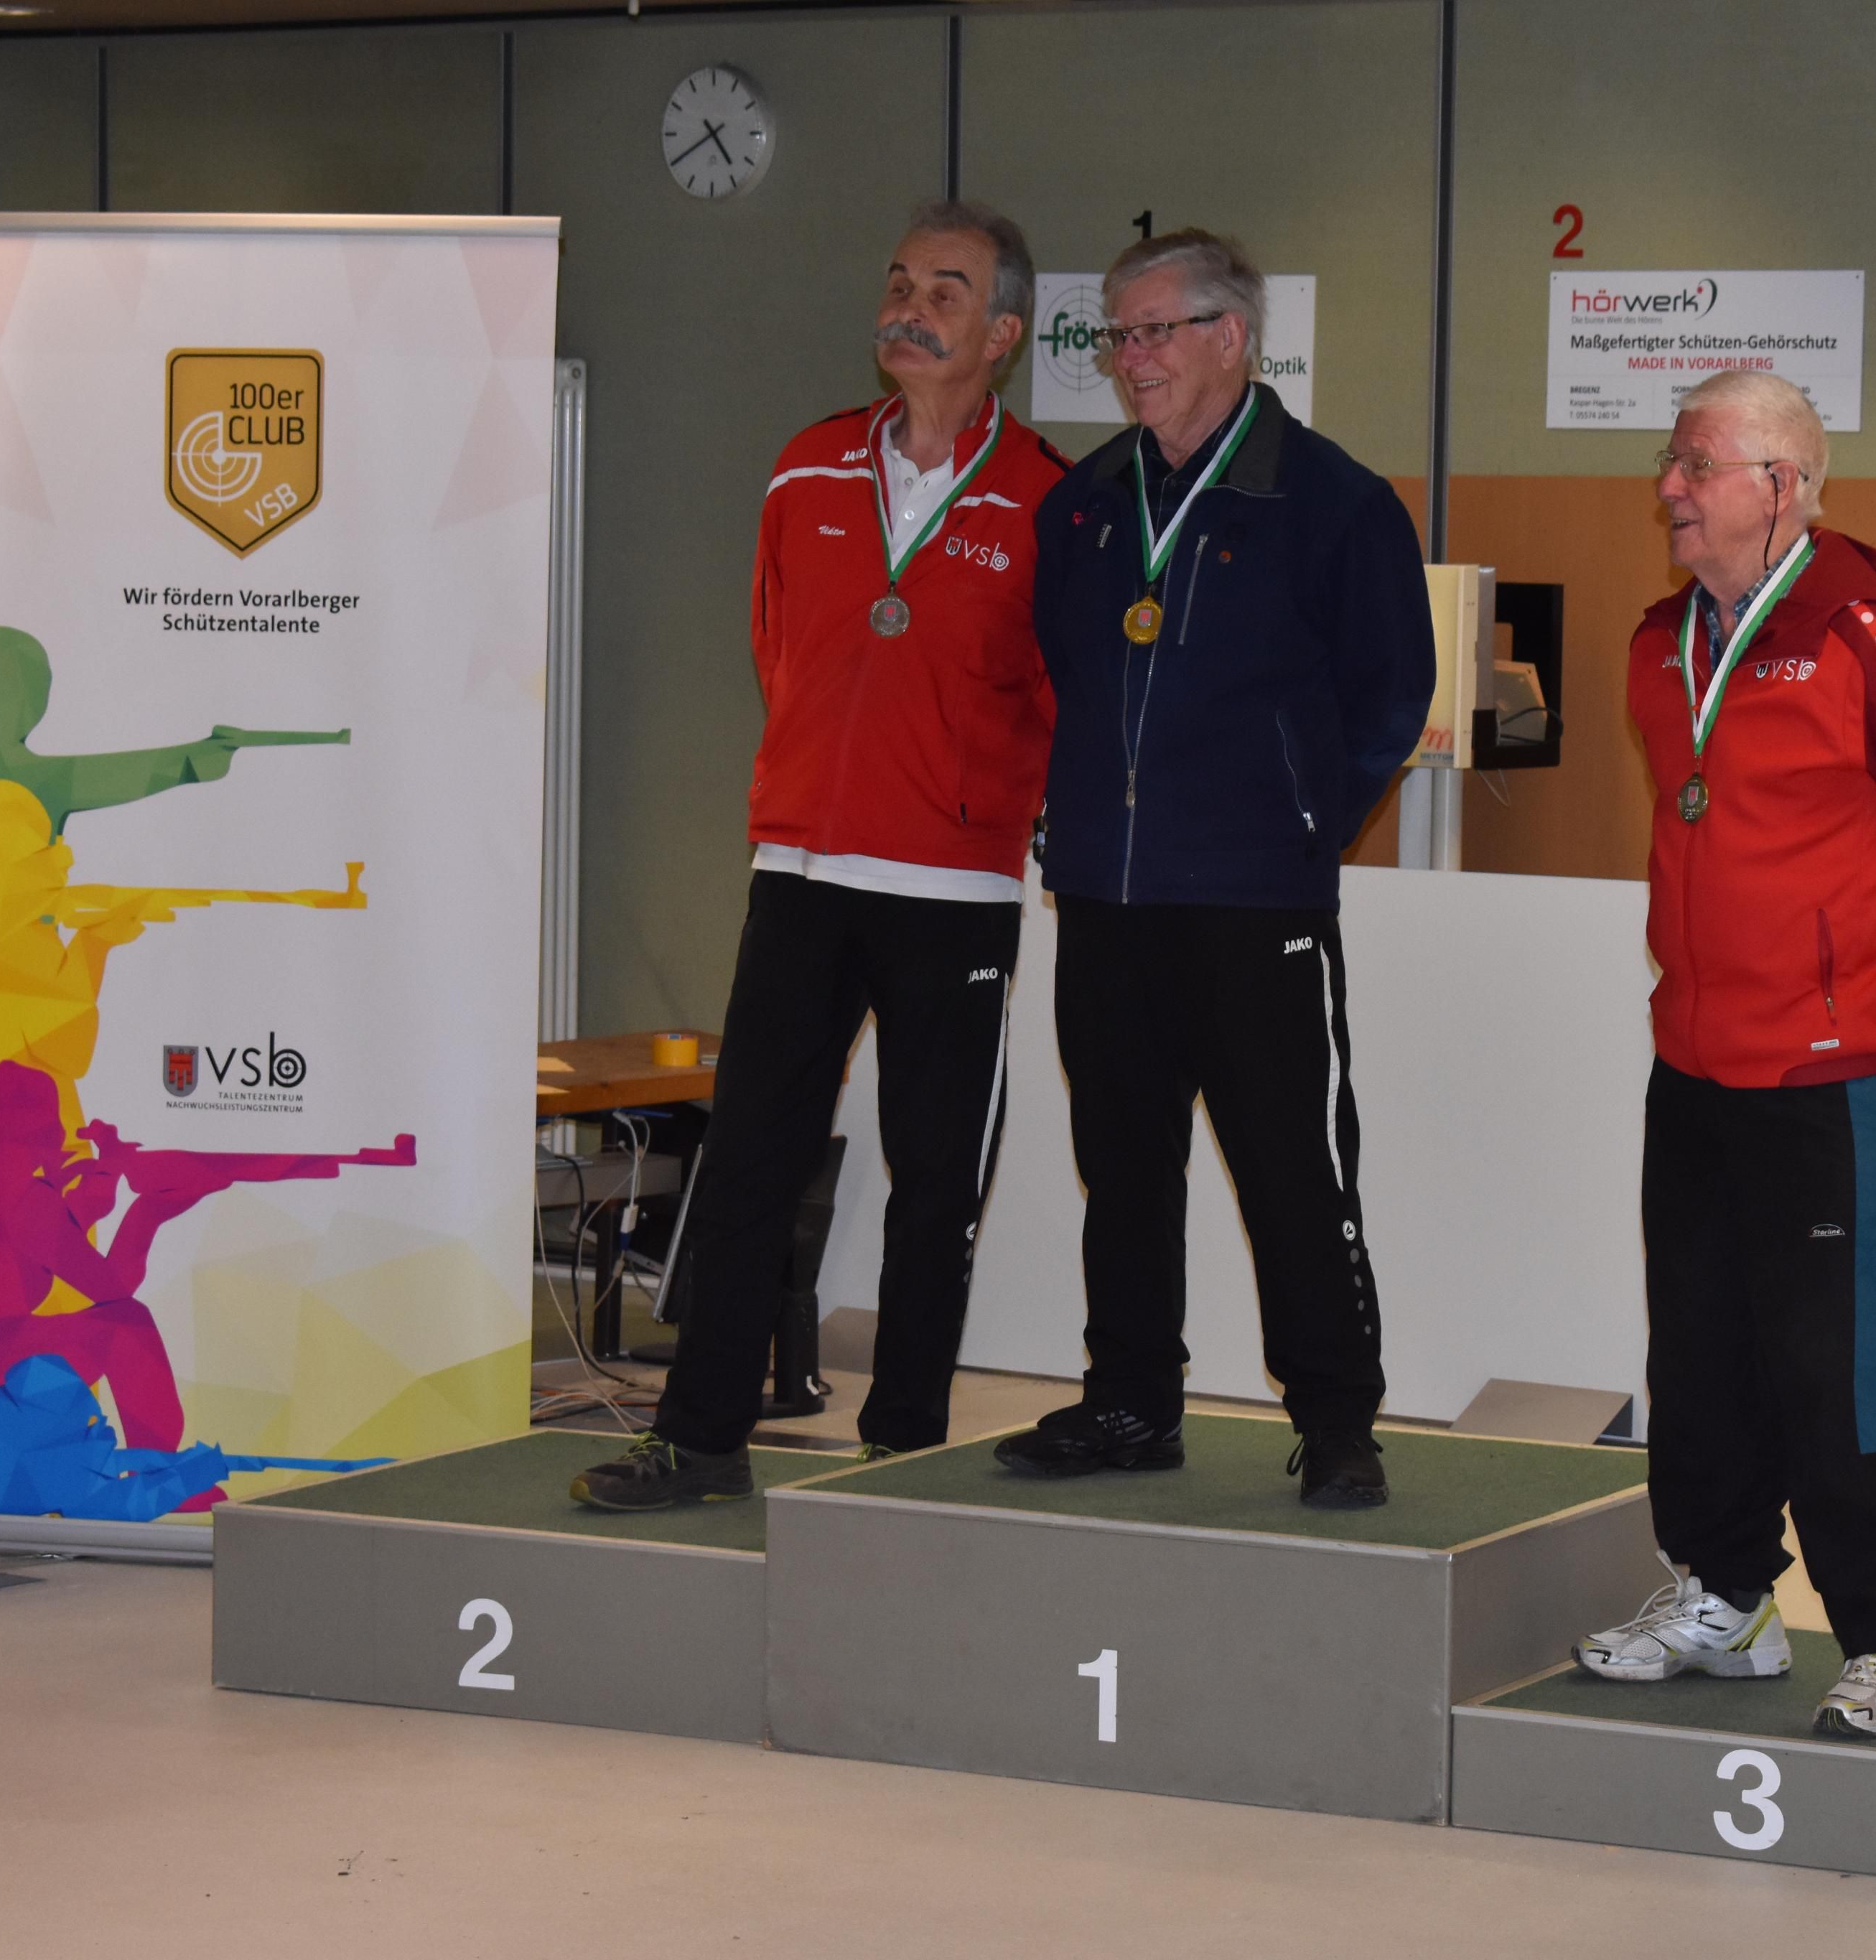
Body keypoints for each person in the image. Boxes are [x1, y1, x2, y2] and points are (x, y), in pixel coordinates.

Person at [574, 200, 1070, 1510]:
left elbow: (1058, 691)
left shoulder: (1046, 498)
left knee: (935, 1180)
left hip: (953, 888)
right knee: (750, 1157)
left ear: (1004, 334)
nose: (910, 307)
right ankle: (701, 1436)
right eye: (900, 281)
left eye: (947, 292)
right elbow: (778, 645)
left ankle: (901, 1450)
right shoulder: (805, 468)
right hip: (801, 873)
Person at [1572, 369, 1876, 1736]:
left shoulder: (1867, 635)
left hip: (1834, 1074)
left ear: (1783, 485)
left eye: (1697, 464)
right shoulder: (1662, 644)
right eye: (1670, 461)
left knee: (1848, 1364)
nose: (1669, 487)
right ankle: (1725, 1595)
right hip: (1695, 1062)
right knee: (1700, 1348)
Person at [999, 229, 1434, 1509]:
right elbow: (1069, 677)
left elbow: (1389, 695)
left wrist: (1296, 822)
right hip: (1108, 897)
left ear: (1231, 337)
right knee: (1123, 1166)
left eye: (1156, 332)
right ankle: (1131, 1400)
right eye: (1117, 336)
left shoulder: (1334, 503)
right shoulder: (1083, 507)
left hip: (1255, 903)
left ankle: (1336, 1418)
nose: (1130, 359)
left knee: (1290, 1167)